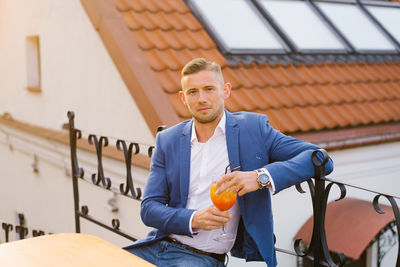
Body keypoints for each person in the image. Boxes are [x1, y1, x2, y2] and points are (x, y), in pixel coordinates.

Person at [124, 58, 333, 267]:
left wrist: (260, 177)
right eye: (193, 92)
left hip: (199, 258)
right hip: (156, 247)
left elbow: (320, 159)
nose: (202, 99)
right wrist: (194, 219)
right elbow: (149, 208)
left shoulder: (254, 129)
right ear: (183, 98)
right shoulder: (167, 139)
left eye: (209, 89)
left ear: (225, 90)